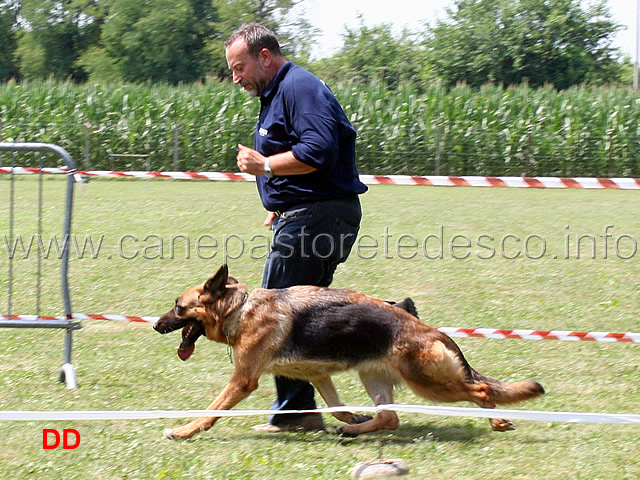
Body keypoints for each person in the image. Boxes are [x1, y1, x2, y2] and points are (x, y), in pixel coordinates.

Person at [225, 23, 368, 433]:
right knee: (303, 314)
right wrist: (281, 200)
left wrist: (265, 166)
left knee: (274, 312)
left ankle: (296, 413)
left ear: (265, 56)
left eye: (239, 68)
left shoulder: (299, 88)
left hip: (317, 217)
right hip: (309, 213)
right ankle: (301, 408)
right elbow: (305, 156)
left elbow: (318, 150)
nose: (236, 78)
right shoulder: (278, 91)